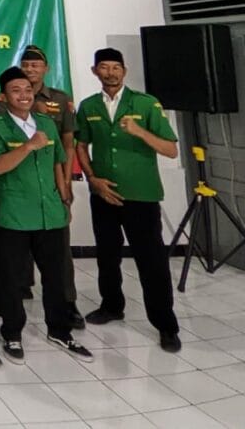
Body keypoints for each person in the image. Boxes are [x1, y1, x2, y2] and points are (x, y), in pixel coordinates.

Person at [75, 48, 181, 352]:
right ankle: (111, 306)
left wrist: (139, 132)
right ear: (95, 71)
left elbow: (170, 149)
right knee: (107, 256)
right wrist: (92, 179)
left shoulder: (146, 104)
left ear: (124, 70)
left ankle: (166, 325)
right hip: (103, 193)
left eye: (116, 67)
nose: (110, 73)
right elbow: (81, 145)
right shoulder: (89, 106)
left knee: (152, 262)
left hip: (141, 195)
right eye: (104, 67)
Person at [0, 68, 93, 365]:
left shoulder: (46, 123)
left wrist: (64, 197)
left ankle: (59, 330)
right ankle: (12, 333)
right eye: (16, 90)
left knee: (56, 276)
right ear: (3, 97)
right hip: (15, 215)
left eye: (27, 89)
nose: (24, 95)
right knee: (12, 280)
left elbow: (58, 161)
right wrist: (29, 145)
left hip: (50, 213)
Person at [13, 44, 83, 327]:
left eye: (35, 65)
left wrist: (66, 182)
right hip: (21, 181)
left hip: (52, 180)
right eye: (26, 64)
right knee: (19, 242)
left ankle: (68, 303)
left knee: (59, 249)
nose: (30, 69)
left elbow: (68, 143)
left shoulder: (60, 99)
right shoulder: (8, 96)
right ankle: (22, 288)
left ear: (46, 69)